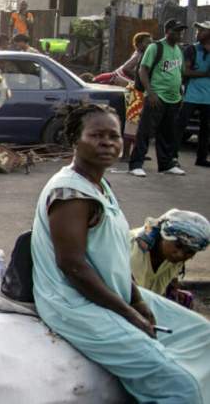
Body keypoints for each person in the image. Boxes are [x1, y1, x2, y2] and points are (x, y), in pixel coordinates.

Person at [31, 102, 210, 402]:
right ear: (75, 139)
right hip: (74, 304)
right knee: (180, 387)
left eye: (113, 136)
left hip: (111, 292)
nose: (107, 143)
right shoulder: (69, 193)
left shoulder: (100, 185)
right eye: (96, 135)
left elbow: (110, 256)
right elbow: (73, 265)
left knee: (202, 335)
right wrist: (128, 313)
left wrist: (138, 299)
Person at [129, 19, 187, 177]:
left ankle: (166, 164)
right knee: (145, 131)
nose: (180, 34)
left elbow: (179, 72)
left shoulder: (178, 50)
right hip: (157, 96)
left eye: (181, 31)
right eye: (177, 31)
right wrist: (151, 92)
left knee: (167, 133)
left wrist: (180, 91)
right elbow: (143, 70)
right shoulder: (156, 47)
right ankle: (136, 164)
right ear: (168, 31)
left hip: (173, 98)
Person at [130, 209, 210, 310]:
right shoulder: (134, 251)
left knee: (184, 300)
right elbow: (130, 295)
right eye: (178, 246)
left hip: (146, 301)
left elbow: (172, 279)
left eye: (189, 252)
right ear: (165, 236)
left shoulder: (173, 258)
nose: (181, 255)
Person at [176, 22, 210, 167]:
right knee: (180, 126)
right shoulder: (192, 49)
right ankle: (172, 158)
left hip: (208, 97)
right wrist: (205, 74)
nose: (198, 32)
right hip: (191, 94)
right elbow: (185, 71)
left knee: (206, 129)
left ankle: (201, 158)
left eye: (202, 30)